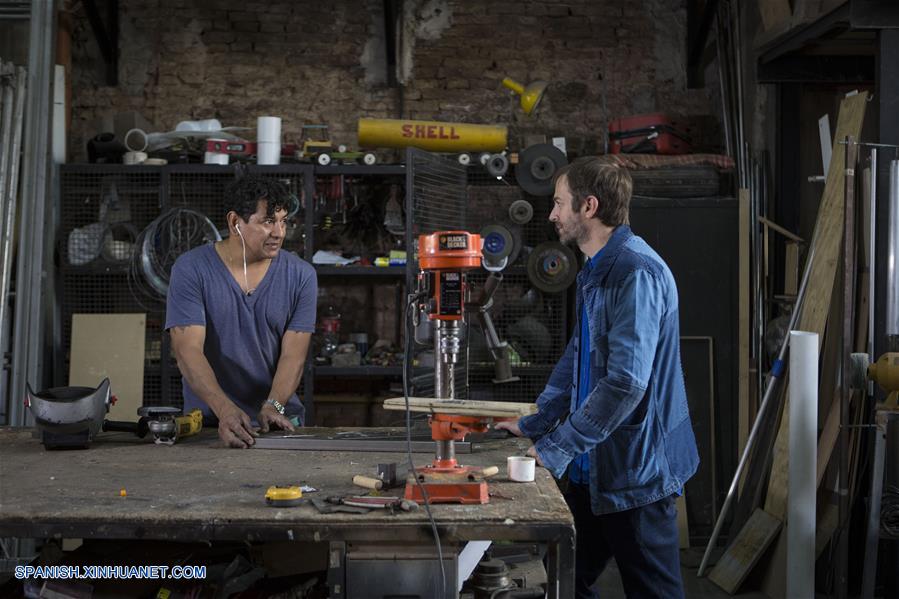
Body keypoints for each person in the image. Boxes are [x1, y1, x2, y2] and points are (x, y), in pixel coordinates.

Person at [495, 157, 699, 598]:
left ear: (588, 207)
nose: (551, 214)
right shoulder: (597, 269)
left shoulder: (634, 272)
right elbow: (578, 357)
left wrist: (556, 448)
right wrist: (536, 423)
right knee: (562, 581)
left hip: (636, 475)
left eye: (558, 203)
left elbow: (626, 383)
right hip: (594, 469)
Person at [166, 174, 317, 448]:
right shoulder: (191, 270)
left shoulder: (301, 276)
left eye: (284, 221)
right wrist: (225, 409)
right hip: (209, 424)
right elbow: (187, 350)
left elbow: (294, 357)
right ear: (235, 222)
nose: (279, 233)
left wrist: (274, 406)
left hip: (278, 422)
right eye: (268, 222)